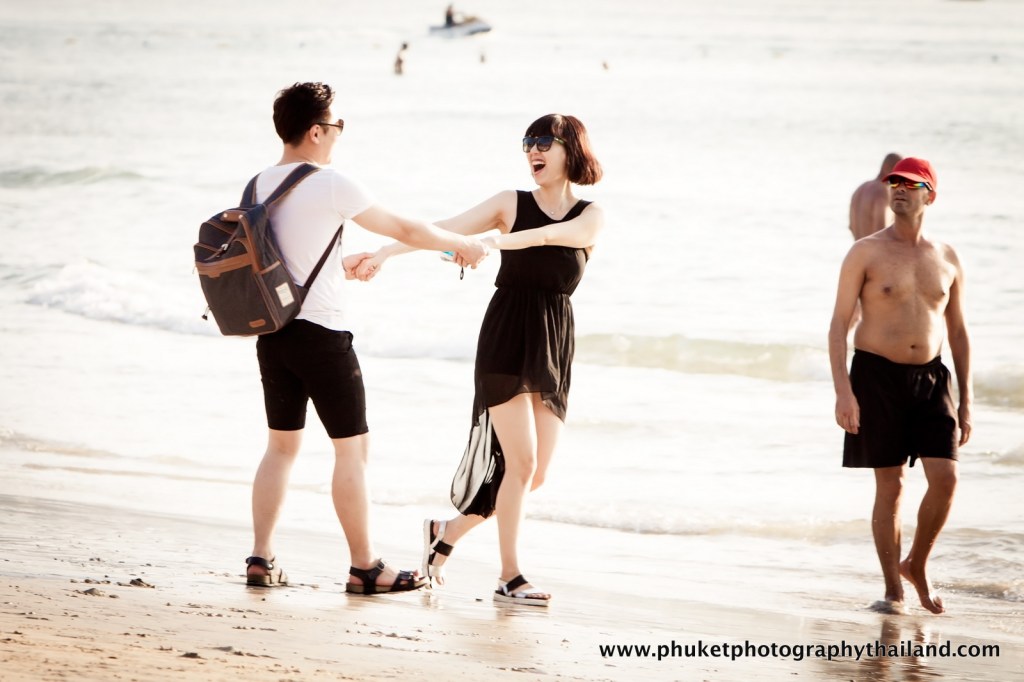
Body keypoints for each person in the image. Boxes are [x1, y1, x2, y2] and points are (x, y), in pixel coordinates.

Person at [243, 81, 488, 595]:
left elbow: (285, 256)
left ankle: (261, 558)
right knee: (351, 452)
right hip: (323, 337)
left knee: (280, 449)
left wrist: (339, 264)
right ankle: (365, 566)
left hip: (274, 336)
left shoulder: (258, 185)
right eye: (337, 126)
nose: (338, 136)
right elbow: (407, 229)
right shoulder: (330, 182)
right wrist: (461, 243)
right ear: (315, 131)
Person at [354, 114, 605, 606]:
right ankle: (510, 577)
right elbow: (440, 230)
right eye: (527, 142)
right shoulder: (509, 202)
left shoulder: (591, 215)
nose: (533, 151)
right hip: (508, 334)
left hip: (555, 341)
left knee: (535, 474)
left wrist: (495, 242)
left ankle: (444, 532)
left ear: (570, 149)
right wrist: (384, 252)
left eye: (544, 142)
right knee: (522, 460)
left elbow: (550, 239)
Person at [828, 157, 972, 615]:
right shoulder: (866, 252)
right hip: (876, 376)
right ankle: (893, 588)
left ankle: (917, 564)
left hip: (932, 379)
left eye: (911, 185)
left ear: (930, 195)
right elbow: (837, 326)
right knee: (890, 487)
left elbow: (959, 331)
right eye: (895, 183)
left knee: (945, 480)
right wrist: (843, 392)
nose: (899, 190)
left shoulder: (947, 257)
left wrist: (967, 400)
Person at [849, 153, 902, 241]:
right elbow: (882, 230)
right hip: (877, 252)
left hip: (857, 251)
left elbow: (851, 227)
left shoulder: (860, 188)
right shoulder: (882, 192)